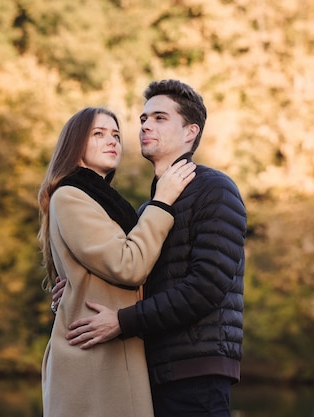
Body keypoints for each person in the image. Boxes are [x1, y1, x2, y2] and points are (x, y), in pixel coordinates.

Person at [54, 80, 247, 416]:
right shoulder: (150, 210)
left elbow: (207, 287)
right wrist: (78, 287)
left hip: (197, 371)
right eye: (143, 119)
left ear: (190, 132)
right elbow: (134, 274)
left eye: (159, 118)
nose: (144, 125)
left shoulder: (215, 189)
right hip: (151, 371)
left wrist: (123, 322)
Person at [37, 106, 196, 417]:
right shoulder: (71, 196)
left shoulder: (104, 203)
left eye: (116, 136)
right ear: (76, 145)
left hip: (111, 348)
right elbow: (129, 264)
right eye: (98, 134)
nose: (112, 141)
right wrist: (162, 202)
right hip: (93, 357)